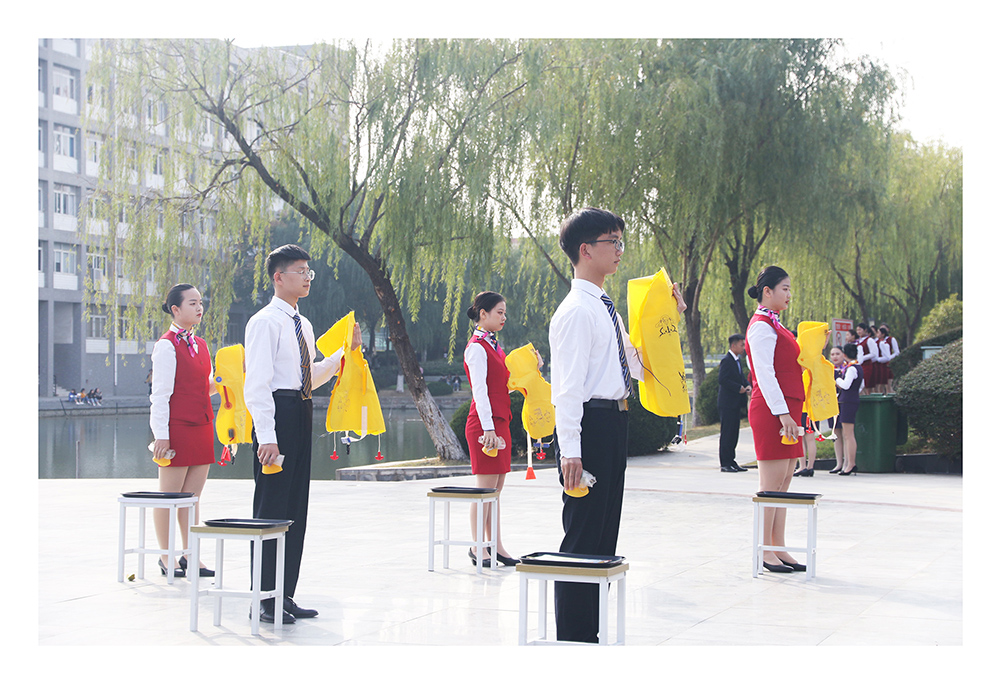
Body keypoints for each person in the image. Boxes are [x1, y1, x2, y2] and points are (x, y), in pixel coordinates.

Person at [548, 207, 685, 642]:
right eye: (614, 241)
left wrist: (667, 319)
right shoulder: (576, 312)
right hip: (590, 426)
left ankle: (591, 631)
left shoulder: (606, 309)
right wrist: (571, 450)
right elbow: (567, 389)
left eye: (621, 241)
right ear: (586, 250)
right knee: (583, 535)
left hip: (613, 422)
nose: (621, 250)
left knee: (604, 533)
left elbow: (637, 366)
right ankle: (574, 637)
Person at [243, 244, 362, 625]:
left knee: (296, 507)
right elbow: (256, 385)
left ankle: (285, 594)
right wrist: (266, 436)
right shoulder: (264, 322)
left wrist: (343, 355)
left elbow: (310, 376)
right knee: (271, 508)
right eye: (301, 271)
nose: (308, 277)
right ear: (279, 277)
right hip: (277, 415)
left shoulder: (303, 324)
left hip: (301, 408)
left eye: (310, 271)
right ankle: (263, 598)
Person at [463, 291, 540, 567]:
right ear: (483, 314)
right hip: (485, 425)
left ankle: (495, 546)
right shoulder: (476, 348)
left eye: (505, 313)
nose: (504, 317)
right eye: (499, 312)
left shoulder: (494, 346)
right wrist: (488, 430)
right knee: (484, 491)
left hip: (500, 422)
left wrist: (533, 367)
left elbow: (504, 384)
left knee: (495, 492)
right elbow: (480, 392)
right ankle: (478, 547)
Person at [150, 283, 217, 579]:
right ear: (175, 309)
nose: (199, 308)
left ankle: (191, 554)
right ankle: (166, 556)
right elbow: (160, 395)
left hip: (202, 426)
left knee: (192, 497)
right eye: (192, 303)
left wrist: (227, 379)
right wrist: (161, 435)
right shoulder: (166, 345)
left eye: (200, 302)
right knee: (169, 496)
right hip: (176, 429)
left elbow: (203, 388)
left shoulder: (200, 344)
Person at [744, 265, 809, 573]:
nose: (789, 294)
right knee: (770, 483)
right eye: (785, 288)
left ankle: (778, 547)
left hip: (788, 409)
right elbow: (765, 374)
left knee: (784, 481)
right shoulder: (761, 326)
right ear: (767, 292)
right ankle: (764, 549)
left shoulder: (776, 324)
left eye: (790, 288)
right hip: (773, 411)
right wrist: (783, 414)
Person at [717, 333, 750, 472]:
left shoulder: (737, 360)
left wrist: (747, 385)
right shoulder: (727, 360)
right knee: (727, 433)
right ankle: (725, 463)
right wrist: (738, 388)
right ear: (733, 345)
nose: (743, 347)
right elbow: (723, 379)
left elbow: (740, 377)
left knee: (734, 433)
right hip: (727, 403)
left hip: (735, 403)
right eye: (741, 345)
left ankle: (732, 461)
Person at [830, 344, 864, 475]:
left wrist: (837, 379)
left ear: (844, 355)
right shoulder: (855, 367)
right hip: (848, 401)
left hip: (848, 402)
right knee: (846, 435)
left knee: (848, 435)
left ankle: (851, 463)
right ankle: (847, 464)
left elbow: (846, 385)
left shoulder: (852, 368)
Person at [875, 325, 900, 394]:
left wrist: (889, 358)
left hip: (887, 363)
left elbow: (897, 352)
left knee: (888, 383)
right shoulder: (877, 341)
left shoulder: (891, 339)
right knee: (880, 384)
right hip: (879, 364)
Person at [855, 324, 876, 395]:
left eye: (860, 330)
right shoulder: (858, 341)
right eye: (857, 330)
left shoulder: (869, 340)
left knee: (866, 385)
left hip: (867, 365)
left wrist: (862, 358)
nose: (858, 332)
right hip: (859, 365)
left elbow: (873, 353)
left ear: (865, 330)